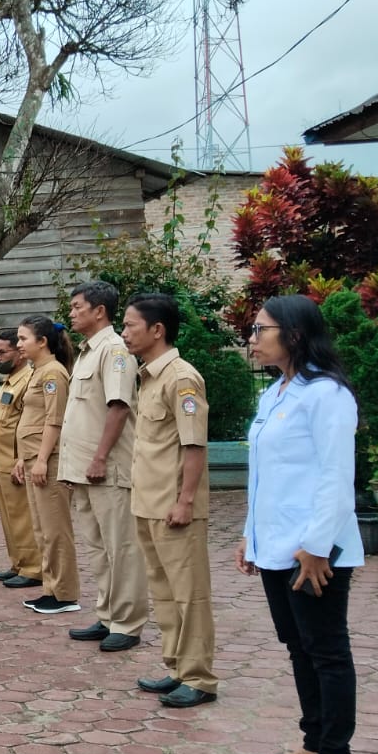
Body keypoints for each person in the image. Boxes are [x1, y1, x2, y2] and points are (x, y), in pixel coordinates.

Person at [237, 294, 365, 754]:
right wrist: (249, 536)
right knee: (299, 646)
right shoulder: (274, 393)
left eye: (260, 329)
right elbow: (263, 476)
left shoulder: (327, 395)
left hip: (313, 549)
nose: (252, 338)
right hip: (275, 545)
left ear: (293, 334)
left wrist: (315, 547)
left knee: (326, 649)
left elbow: (336, 477)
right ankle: (313, 740)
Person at [122, 293, 218, 709]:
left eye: (130, 325)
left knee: (189, 593)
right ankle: (177, 666)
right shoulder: (148, 376)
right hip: (148, 503)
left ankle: (199, 677)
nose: (124, 333)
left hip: (175, 508)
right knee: (163, 591)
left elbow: (194, 446)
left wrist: (185, 501)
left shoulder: (182, 378)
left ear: (157, 330)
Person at [60, 281, 149, 652]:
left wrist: (99, 457)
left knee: (121, 547)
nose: (71, 312)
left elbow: (119, 406)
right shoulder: (86, 353)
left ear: (100, 311)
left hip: (106, 468)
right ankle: (108, 614)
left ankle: (127, 623)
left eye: (78, 306)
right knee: (97, 547)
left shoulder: (114, 350)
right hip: (83, 469)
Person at [14, 315, 81, 615]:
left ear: (42, 342)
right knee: (42, 529)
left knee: (56, 530)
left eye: (23, 338)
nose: (19, 345)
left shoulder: (53, 374)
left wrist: (41, 460)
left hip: (48, 462)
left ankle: (65, 593)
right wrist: (22, 458)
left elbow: (54, 420)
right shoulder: (37, 372)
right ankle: (51, 589)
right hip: (32, 459)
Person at [0, 329, 43, 589]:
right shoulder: (11, 381)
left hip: (15, 460)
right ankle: (18, 562)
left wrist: (23, 458)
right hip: (0, 458)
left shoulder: (28, 380)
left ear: (19, 354)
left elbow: (29, 423)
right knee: (9, 519)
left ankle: (33, 567)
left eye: (3, 352)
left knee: (22, 517)